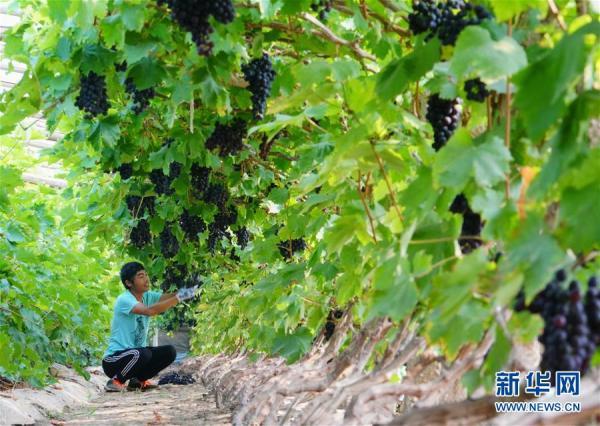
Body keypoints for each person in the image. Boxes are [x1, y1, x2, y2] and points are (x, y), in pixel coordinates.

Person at [102, 261, 199, 392]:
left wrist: (187, 290)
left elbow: (167, 298)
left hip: (135, 357)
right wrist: (180, 297)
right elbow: (150, 311)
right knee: (142, 353)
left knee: (169, 352)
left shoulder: (147, 296)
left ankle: (138, 381)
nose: (146, 279)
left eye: (146, 275)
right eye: (141, 276)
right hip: (114, 361)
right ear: (129, 283)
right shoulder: (125, 299)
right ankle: (116, 380)